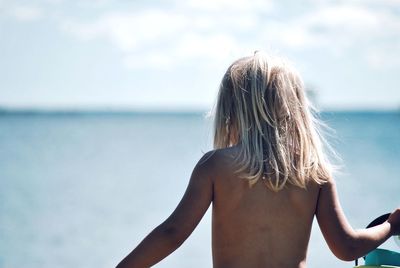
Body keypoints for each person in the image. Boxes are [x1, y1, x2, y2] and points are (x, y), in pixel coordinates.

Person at [116, 51, 400, 268]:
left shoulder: (215, 166)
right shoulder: (313, 172)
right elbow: (346, 247)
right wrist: (391, 226)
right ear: (295, 110)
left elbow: (172, 232)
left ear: (231, 110)